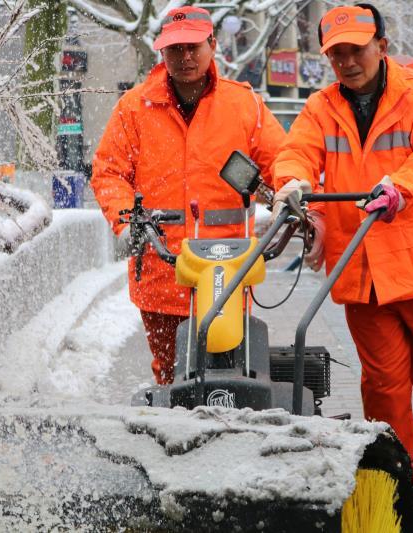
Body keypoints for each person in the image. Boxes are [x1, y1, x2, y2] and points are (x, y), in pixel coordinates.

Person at [271, 4, 413, 487]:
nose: (347, 62)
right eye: (337, 54)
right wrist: (292, 182)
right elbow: (298, 151)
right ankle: (398, 479)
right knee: (384, 387)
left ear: (381, 45)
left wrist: (399, 186)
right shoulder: (321, 106)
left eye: (356, 50)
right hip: (362, 271)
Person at [91, 6, 286, 385]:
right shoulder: (134, 109)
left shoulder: (244, 105)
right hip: (162, 270)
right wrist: (126, 219)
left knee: (234, 368)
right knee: (170, 374)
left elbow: (282, 161)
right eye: (175, 49)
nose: (185, 57)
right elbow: (109, 172)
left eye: (193, 47)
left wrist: (288, 194)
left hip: (228, 270)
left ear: (212, 45)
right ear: (161, 52)